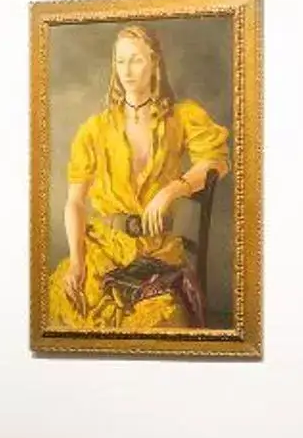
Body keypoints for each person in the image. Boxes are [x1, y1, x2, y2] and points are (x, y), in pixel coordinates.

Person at [47, 24, 230, 331]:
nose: (127, 70)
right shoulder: (95, 129)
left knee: (158, 323)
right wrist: (78, 261)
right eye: (120, 61)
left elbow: (215, 162)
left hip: (156, 256)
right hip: (102, 251)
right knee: (69, 312)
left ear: (155, 62)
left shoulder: (181, 118)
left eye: (136, 60)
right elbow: (75, 203)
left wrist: (172, 190)